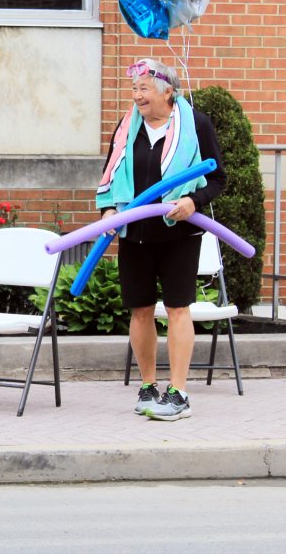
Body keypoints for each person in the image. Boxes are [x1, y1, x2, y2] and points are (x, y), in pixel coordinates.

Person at [97, 58, 225, 421]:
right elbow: (109, 179)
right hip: (135, 232)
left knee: (177, 308)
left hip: (180, 233)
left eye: (144, 89)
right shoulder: (126, 128)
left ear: (167, 92)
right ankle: (149, 385)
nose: (137, 96)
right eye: (134, 89)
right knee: (139, 309)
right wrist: (108, 212)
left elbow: (217, 178)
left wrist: (191, 201)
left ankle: (179, 392)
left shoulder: (195, 125)